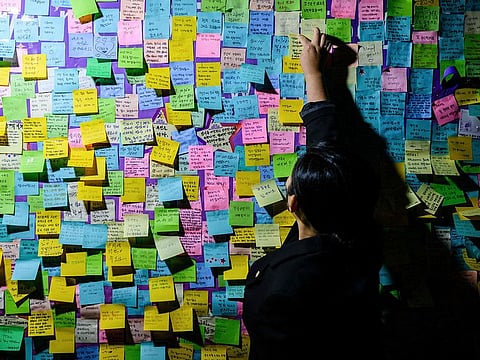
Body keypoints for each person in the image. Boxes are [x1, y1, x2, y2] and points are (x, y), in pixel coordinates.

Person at [242, 28, 387, 359]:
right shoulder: (359, 236)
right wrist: (314, 76)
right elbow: (328, 151)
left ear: (292, 204)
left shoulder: (282, 291)